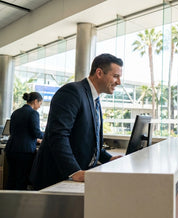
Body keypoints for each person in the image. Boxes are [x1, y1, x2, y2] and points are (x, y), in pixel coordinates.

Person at [30, 53, 123, 190]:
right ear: (99, 73)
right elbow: (59, 135)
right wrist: (74, 171)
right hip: (56, 178)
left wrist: (108, 159)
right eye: (115, 76)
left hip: (77, 175)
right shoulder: (72, 92)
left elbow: (91, 141)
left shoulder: (94, 99)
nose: (119, 82)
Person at [5, 92, 44, 190]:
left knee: (11, 178)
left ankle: (7, 202)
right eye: (40, 103)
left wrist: (35, 141)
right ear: (35, 101)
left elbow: (13, 132)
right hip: (24, 152)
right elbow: (36, 133)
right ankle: (18, 204)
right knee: (21, 180)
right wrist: (47, 135)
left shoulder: (16, 112)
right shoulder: (33, 113)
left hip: (11, 149)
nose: (39, 106)